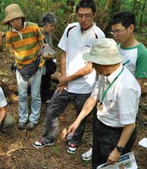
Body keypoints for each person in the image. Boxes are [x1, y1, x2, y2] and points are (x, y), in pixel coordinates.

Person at [68, 38, 141, 169]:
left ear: (105, 62)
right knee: (97, 157)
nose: (92, 66)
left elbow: (129, 125)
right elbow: (93, 99)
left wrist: (118, 149)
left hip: (117, 132)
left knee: (110, 164)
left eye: (94, 62)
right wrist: (77, 121)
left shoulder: (126, 87)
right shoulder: (104, 75)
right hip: (101, 123)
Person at [33, 0, 105, 154]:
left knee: (81, 115)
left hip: (85, 86)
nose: (83, 19)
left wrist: (67, 79)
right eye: (80, 15)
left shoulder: (99, 35)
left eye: (87, 16)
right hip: (66, 84)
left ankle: (74, 140)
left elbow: (90, 67)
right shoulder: (70, 29)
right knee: (52, 110)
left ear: (94, 15)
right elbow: (64, 53)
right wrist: (63, 79)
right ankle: (48, 138)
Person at [81, 11, 147, 161]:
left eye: (118, 31)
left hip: (122, 99)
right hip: (107, 97)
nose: (115, 35)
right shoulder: (115, 47)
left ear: (131, 28)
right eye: (113, 31)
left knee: (112, 142)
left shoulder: (141, 52)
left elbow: (137, 85)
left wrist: (123, 98)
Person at [3, 3, 45, 131]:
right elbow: (11, 50)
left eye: (17, 19)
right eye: (12, 20)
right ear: (9, 21)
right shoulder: (9, 34)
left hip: (36, 65)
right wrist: (16, 61)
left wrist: (39, 56)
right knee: (21, 95)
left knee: (35, 94)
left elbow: (42, 42)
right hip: (20, 67)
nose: (15, 22)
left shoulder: (34, 27)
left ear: (22, 17)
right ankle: (22, 118)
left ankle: (34, 119)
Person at [39, 12, 58, 104]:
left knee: (47, 78)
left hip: (47, 60)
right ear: (45, 24)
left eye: (53, 26)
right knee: (41, 79)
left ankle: (45, 97)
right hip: (39, 61)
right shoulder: (38, 33)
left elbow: (50, 46)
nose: (52, 28)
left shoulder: (48, 34)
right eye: (51, 26)